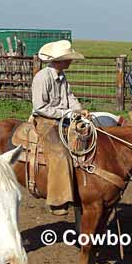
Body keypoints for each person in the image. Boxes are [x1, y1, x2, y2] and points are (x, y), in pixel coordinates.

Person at [30, 40, 87, 216]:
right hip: (45, 121)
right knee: (59, 153)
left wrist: (79, 111)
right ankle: (57, 200)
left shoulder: (62, 77)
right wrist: (68, 114)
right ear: (60, 60)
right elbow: (40, 107)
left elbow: (70, 97)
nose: (70, 61)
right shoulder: (42, 77)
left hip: (63, 118)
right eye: (68, 58)